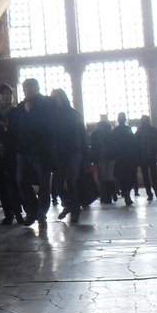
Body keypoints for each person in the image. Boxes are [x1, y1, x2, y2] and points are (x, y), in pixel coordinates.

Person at [12, 77, 55, 226]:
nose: (26, 91)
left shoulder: (47, 103)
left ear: (36, 88)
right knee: (21, 180)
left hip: (41, 151)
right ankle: (32, 210)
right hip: (23, 150)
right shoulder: (21, 106)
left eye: (28, 88)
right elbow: (16, 125)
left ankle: (41, 212)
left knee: (44, 183)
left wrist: (31, 113)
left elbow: (48, 125)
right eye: (24, 89)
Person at [49, 88, 89, 222]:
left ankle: (75, 211)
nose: (54, 100)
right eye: (52, 97)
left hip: (73, 153)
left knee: (72, 182)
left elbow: (83, 135)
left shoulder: (74, 114)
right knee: (58, 183)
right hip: (58, 154)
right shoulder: (51, 116)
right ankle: (68, 204)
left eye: (56, 97)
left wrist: (86, 155)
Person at [0, 84, 23, 224]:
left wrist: (8, 129)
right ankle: (8, 213)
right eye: (3, 94)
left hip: (12, 152)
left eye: (8, 94)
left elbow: (20, 131)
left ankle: (18, 212)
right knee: (1, 184)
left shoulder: (17, 112)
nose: (6, 96)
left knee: (14, 183)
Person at [110, 112, 136, 205]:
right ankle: (127, 194)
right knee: (129, 177)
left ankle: (125, 193)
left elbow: (112, 144)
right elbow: (133, 143)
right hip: (128, 157)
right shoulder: (128, 130)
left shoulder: (114, 131)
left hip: (119, 157)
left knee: (121, 177)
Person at [90, 116, 117, 203]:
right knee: (105, 178)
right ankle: (108, 194)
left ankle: (108, 195)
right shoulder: (109, 135)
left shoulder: (97, 135)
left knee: (106, 177)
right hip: (102, 159)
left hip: (107, 158)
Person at [134, 115, 157, 200]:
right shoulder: (139, 131)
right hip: (143, 157)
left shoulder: (153, 130)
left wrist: (155, 152)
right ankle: (149, 192)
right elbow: (136, 143)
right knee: (146, 175)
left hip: (151, 156)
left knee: (153, 174)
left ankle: (155, 189)